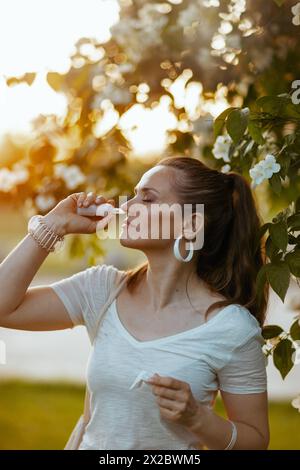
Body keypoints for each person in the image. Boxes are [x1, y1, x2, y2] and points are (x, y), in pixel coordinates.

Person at [0, 156, 270, 450]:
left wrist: (198, 419)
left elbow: (255, 440)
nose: (126, 207)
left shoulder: (232, 327)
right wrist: (54, 224)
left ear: (191, 224)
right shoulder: (102, 289)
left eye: (147, 199)